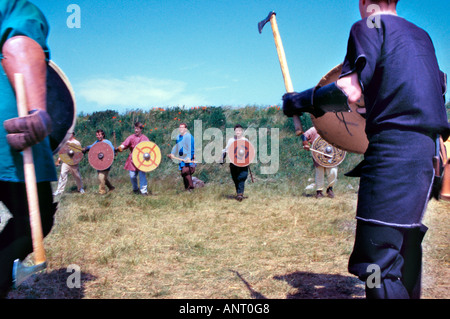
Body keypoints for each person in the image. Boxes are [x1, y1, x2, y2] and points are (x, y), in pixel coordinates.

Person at [282, 0, 449, 298]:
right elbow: (437, 87)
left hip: (393, 155)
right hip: (430, 154)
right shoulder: (421, 35)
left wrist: (304, 100)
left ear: (363, 2)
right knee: (405, 251)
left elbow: (349, 91)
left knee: (376, 265)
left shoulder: (371, 25)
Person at [0, 0, 56, 298]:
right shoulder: (15, 5)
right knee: (34, 217)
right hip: (8, 130)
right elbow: (19, 45)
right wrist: (37, 114)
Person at [116, 122, 150, 195]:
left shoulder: (145, 138)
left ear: (141, 129)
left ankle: (143, 191)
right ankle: (135, 189)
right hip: (132, 160)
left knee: (142, 175)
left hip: (142, 160)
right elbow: (125, 144)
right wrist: (119, 148)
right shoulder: (131, 137)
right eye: (135, 128)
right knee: (132, 176)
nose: (136, 130)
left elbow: (149, 148)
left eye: (137, 129)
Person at [303, 126, 337, 199]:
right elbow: (304, 136)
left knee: (333, 172)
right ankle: (319, 191)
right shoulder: (314, 129)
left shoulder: (333, 128)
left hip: (331, 154)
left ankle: (330, 189)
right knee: (319, 172)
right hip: (318, 155)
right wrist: (306, 143)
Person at [221, 124, 249, 201]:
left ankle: (240, 194)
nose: (238, 132)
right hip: (233, 163)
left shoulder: (245, 140)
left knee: (242, 177)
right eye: (236, 130)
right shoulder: (231, 140)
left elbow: (249, 151)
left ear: (242, 131)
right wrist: (222, 158)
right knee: (235, 178)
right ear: (235, 131)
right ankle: (239, 193)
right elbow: (226, 150)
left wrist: (248, 159)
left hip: (243, 162)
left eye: (239, 130)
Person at [83, 129, 115, 195]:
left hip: (106, 162)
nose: (98, 136)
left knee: (101, 177)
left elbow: (112, 149)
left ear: (103, 135)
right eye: (97, 135)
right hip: (99, 162)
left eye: (100, 135)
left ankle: (102, 192)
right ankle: (111, 187)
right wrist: (86, 148)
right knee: (103, 178)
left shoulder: (107, 142)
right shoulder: (97, 142)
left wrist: (114, 152)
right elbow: (92, 147)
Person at [168, 123, 196, 191]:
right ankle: (187, 189)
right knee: (183, 173)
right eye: (180, 127)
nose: (181, 129)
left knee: (186, 171)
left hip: (188, 157)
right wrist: (172, 154)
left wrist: (189, 157)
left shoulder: (189, 137)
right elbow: (177, 146)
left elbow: (191, 148)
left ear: (186, 129)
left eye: (182, 127)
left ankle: (191, 188)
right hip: (181, 158)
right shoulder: (178, 137)